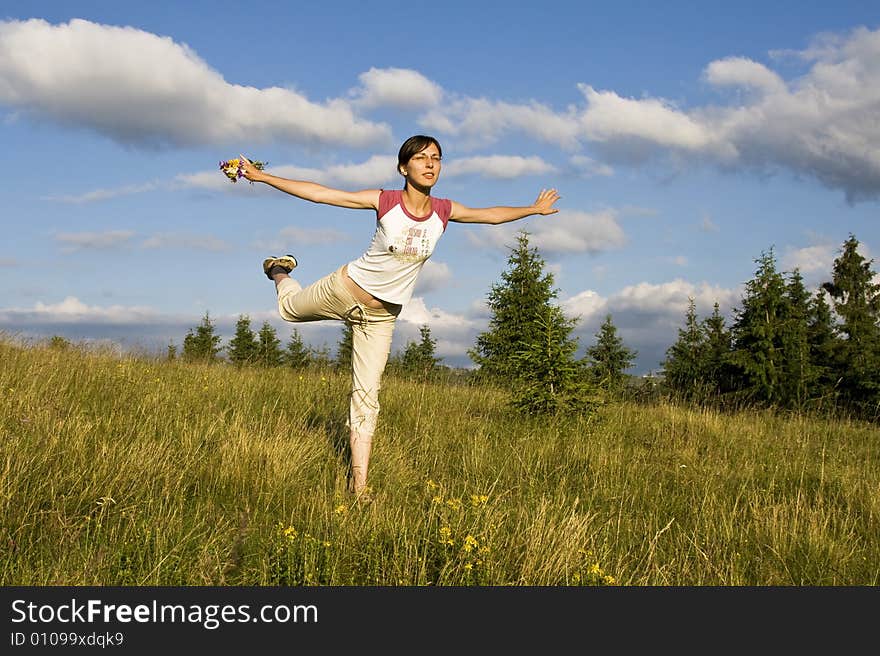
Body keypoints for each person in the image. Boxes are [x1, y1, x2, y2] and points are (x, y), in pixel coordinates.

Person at [238, 135, 559, 500]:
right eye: (421, 158)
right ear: (404, 167)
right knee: (289, 310)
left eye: (436, 158)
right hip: (345, 289)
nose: (430, 164)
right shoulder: (385, 201)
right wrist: (263, 178)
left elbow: (491, 216)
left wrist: (532, 210)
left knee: (367, 396)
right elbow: (321, 193)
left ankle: (359, 488)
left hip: (380, 319)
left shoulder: (444, 210)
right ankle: (280, 270)